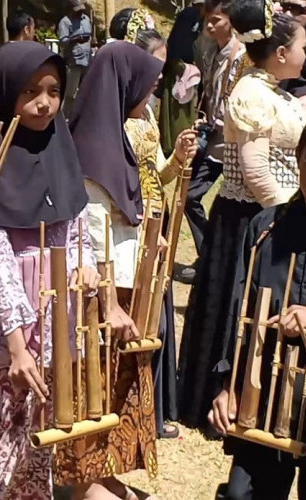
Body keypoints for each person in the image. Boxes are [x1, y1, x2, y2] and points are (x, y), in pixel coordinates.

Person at [0, 41, 95, 499]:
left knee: (42, 444)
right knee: (3, 444)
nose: (44, 103)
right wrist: (18, 346)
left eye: (54, 91)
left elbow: (77, 224)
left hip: (56, 323)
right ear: (7, 93)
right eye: (31, 91)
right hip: (5, 332)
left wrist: (87, 268)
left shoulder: (61, 148)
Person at [178, 0, 306, 433]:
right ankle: (225, 397)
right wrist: (285, 216)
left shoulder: (272, 89)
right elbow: (255, 172)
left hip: (276, 219)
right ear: (283, 53)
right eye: (304, 44)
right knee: (238, 312)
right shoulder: (251, 93)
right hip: (251, 220)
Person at [56, 41, 165, 500]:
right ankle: (83, 482)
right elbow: (91, 235)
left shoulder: (117, 138)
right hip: (98, 292)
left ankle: (103, 471)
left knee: (116, 382)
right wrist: (108, 300)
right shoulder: (92, 152)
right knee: (90, 383)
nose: (152, 92)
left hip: (122, 285)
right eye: (148, 83)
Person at [112, 10, 199, 440]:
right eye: (154, 68)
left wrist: (178, 159)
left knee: (160, 317)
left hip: (157, 216)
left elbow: (157, 171)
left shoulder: (147, 115)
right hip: (136, 227)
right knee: (144, 320)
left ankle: (159, 408)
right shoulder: (110, 118)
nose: (160, 78)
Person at [208, 128, 306, 500]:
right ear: (298, 158)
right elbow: (237, 313)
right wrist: (227, 385)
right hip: (263, 394)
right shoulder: (265, 229)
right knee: (241, 496)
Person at [180, 0, 248, 284]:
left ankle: (214, 260)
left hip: (229, 141)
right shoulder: (211, 48)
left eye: (216, 20)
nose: (210, 25)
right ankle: (210, 257)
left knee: (198, 196)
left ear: (230, 20)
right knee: (188, 194)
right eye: (208, 19)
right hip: (212, 132)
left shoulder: (240, 54)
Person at [158, 0, 204, 161]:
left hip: (183, 68)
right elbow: (181, 43)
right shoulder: (192, 15)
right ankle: (177, 144)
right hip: (181, 70)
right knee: (178, 113)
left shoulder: (194, 16)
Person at [57, 0, 92, 119]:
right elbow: (63, 41)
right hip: (73, 62)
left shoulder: (86, 19)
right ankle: (65, 117)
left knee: (87, 90)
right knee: (70, 93)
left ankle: (84, 116)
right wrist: (76, 39)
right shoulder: (65, 22)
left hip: (87, 60)